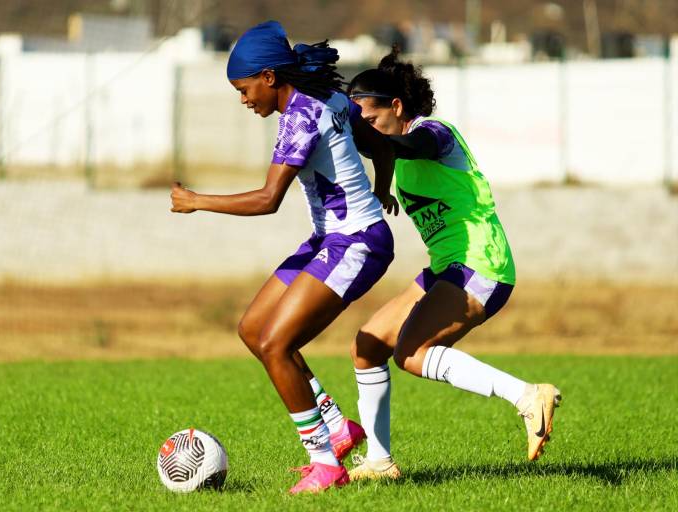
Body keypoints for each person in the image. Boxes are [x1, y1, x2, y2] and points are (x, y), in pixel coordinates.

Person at [170, 21, 399, 494]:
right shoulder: (327, 100)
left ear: (270, 77)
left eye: (244, 88)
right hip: (329, 238)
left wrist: (196, 201)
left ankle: (325, 464)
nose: (243, 99)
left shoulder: (301, 115)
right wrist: (378, 190)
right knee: (254, 330)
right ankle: (336, 428)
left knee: (276, 343)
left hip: (355, 242)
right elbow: (378, 145)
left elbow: (267, 199)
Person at [344, 48, 562, 480]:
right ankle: (379, 462)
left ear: (398, 107)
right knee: (367, 345)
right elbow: (387, 156)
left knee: (411, 354)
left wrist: (375, 144)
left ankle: (527, 396)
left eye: (369, 120)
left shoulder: (435, 134)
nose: (367, 131)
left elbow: (409, 144)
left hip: (482, 264)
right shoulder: (395, 157)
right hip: (448, 266)